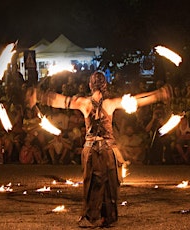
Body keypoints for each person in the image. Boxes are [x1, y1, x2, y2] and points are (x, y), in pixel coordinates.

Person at [26, 71, 171, 227]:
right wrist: (159, 94)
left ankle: (92, 217)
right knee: (109, 183)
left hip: (91, 150)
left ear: (90, 85)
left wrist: (39, 96)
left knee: (92, 184)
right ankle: (108, 218)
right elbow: (136, 100)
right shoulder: (111, 103)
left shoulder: (83, 103)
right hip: (108, 150)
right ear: (105, 85)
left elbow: (61, 101)